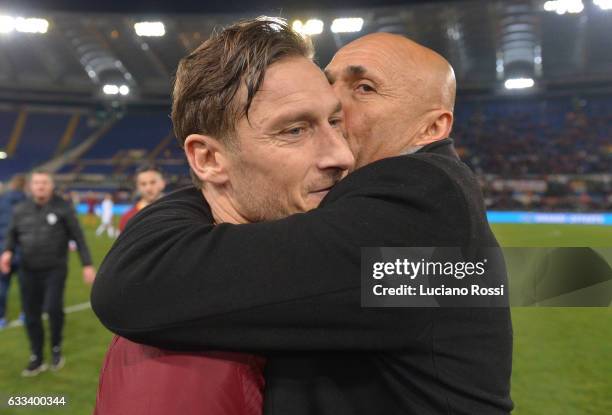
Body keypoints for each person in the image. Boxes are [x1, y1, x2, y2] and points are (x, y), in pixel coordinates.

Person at [93, 31, 513, 414]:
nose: (340, 138)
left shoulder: (426, 192)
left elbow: (136, 282)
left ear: (432, 127)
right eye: (297, 127)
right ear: (208, 158)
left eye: (364, 88)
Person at [93, 18, 352, 415]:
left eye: (335, 121)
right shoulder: (186, 354)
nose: (342, 155)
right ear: (209, 159)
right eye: (295, 130)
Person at [1, 170, 96, 376]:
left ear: (51, 185)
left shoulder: (63, 208)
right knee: (31, 314)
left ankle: (55, 348)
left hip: (55, 269)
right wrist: (7, 252)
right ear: (30, 186)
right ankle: (36, 355)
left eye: (44, 182)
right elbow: (11, 235)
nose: (40, 186)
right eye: (36, 183)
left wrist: (87, 264)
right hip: (27, 270)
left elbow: (78, 237)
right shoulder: (20, 209)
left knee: (53, 309)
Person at [0, 174, 26, 329]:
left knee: (2, 284)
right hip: (23, 249)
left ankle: (1, 316)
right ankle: (25, 313)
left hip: (3, 248)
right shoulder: (28, 202)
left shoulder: (2, 201)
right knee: (25, 285)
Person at [118, 164, 165, 232]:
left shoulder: (176, 212)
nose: (148, 188)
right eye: (143, 184)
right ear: (137, 187)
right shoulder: (128, 218)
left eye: (153, 182)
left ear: (163, 183)